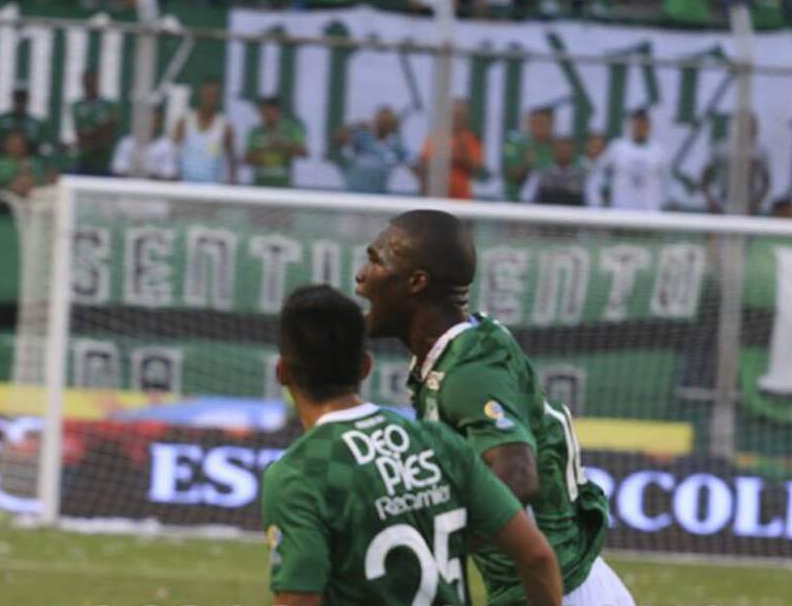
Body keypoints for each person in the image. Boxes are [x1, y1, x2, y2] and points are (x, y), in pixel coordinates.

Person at [355, 210, 635, 606]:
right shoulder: (457, 353)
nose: (361, 276)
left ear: (417, 282)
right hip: (558, 586)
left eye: (376, 260)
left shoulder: (469, 368)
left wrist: (427, 552)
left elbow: (517, 476)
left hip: (556, 591)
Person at [262, 284, 563, 606]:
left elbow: (299, 599)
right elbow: (537, 556)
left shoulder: (300, 474)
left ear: (282, 372)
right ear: (366, 366)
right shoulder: (438, 442)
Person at [588, 108, 669, 211]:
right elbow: (597, 175)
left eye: (644, 124)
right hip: (622, 215)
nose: (641, 128)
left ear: (649, 126)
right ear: (631, 125)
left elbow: (667, 184)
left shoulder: (659, 152)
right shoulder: (617, 148)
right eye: (638, 124)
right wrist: (596, 205)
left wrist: (660, 206)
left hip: (650, 217)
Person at [700, 114, 771, 215]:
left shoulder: (759, 153)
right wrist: (711, 201)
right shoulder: (721, 150)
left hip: (749, 204)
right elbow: (705, 179)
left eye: (753, 126)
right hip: (722, 202)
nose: (750, 129)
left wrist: (756, 203)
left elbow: (766, 183)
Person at [173, 77, 237, 184]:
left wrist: (232, 184)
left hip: (212, 188)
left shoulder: (225, 126)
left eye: (213, 96)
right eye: (207, 95)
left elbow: (231, 160)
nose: (209, 99)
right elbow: (172, 154)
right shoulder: (185, 122)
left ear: (218, 99)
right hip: (184, 185)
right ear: (201, 95)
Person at [416, 99, 483, 200]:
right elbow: (424, 163)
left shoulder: (471, 140)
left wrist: (462, 154)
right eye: (455, 114)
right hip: (436, 198)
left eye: (461, 115)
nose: (457, 118)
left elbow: (475, 169)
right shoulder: (437, 137)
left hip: (461, 201)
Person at [335, 106, 407, 194]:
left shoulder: (395, 144)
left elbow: (413, 164)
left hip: (376, 194)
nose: (383, 124)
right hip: (353, 192)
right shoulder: (363, 137)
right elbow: (338, 139)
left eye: (387, 122)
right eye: (381, 120)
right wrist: (356, 126)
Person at [245, 96, 306, 188]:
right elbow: (247, 159)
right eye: (262, 113)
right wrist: (266, 151)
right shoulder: (256, 133)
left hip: (282, 184)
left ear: (277, 112)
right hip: (260, 185)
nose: (265, 116)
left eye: (268, 112)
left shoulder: (290, 130)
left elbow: (303, 152)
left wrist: (284, 145)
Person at [72, 69, 119, 176]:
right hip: (84, 162)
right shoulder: (78, 106)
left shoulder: (109, 105)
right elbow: (82, 135)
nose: (89, 85)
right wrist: (103, 126)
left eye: (92, 82)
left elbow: (109, 134)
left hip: (105, 163)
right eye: (87, 82)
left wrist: (95, 133)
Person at [502, 107, 555, 201]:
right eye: (535, 123)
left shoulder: (557, 148)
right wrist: (526, 163)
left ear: (551, 125)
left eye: (543, 124)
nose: (539, 128)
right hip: (516, 202)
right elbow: (511, 174)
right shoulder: (517, 144)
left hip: (549, 204)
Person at [522, 135, 591, 206]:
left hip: (574, 215)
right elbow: (526, 197)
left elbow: (592, 201)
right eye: (561, 150)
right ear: (553, 151)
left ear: (573, 151)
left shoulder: (583, 175)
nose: (563, 153)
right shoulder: (540, 173)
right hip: (545, 213)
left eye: (566, 151)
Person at [110, 106, 177, 180]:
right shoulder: (126, 143)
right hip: (128, 187)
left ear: (158, 123)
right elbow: (118, 171)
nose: (149, 124)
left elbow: (169, 175)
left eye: (154, 120)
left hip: (154, 189)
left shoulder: (166, 145)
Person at [0, 84, 51, 158]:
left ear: (28, 100)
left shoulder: (36, 124)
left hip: (28, 160)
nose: (20, 102)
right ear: (13, 98)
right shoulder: (0, 121)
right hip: (2, 159)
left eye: (23, 99)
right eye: (18, 98)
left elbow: (44, 147)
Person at [0, 129, 50, 200]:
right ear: (6, 146)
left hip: (35, 195)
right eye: (13, 145)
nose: (16, 148)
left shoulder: (34, 162)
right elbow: (1, 181)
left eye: (19, 145)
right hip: (9, 196)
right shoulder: (0, 162)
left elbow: (42, 180)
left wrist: (29, 179)